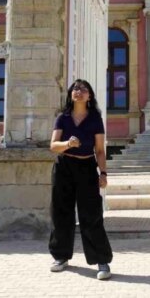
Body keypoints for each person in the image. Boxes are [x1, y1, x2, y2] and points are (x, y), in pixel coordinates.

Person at [49, 79, 113, 280]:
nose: (79, 91)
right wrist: (67, 143)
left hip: (87, 167)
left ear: (90, 96)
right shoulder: (63, 118)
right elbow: (53, 146)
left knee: (91, 214)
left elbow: (100, 150)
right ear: (70, 94)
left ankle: (101, 261)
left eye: (83, 89)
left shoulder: (95, 118)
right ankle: (60, 256)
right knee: (61, 212)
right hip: (64, 167)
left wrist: (103, 174)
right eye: (75, 89)